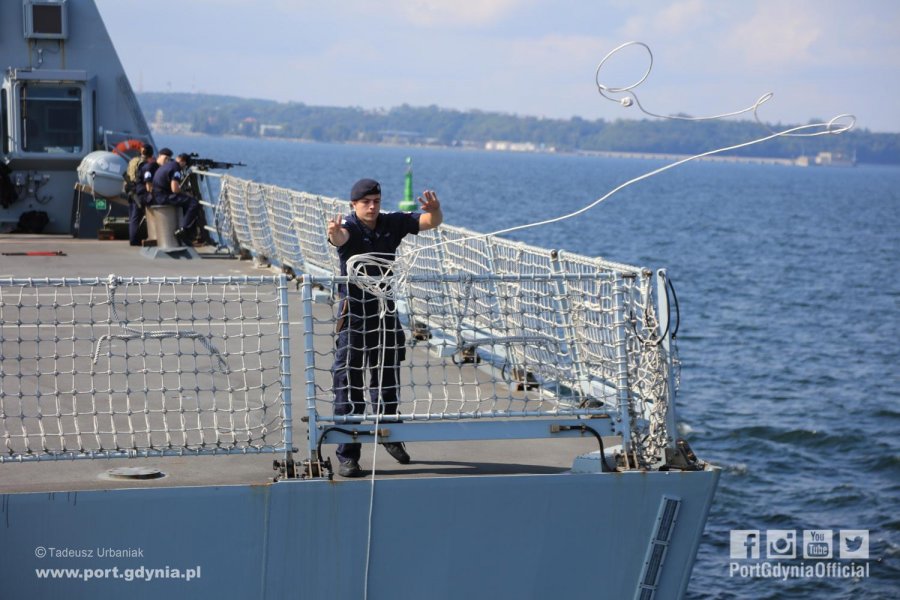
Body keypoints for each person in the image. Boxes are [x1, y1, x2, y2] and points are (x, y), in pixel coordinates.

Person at [327, 178, 443, 477]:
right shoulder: (350, 228)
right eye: (366, 202)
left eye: (376, 200)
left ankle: (389, 435)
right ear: (354, 204)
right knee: (349, 386)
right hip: (354, 316)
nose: (372, 206)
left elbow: (429, 222)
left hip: (385, 313)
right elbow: (339, 239)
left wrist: (435, 210)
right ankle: (348, 455)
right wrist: (335, 233)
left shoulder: (392, 223)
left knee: (387, 382)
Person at [150, 149, 202, 244]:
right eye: (185, 166)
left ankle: (185, 230)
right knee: (193, 203)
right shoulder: (176, 169)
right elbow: (174, 189)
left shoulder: (168, 165)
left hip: (157, 195)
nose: (184, 168)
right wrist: (185, 193)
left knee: (185, 202)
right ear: (183, 162)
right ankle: (183, 229)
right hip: (163, 197)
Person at [125, 144, 155, 245]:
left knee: (133, 218)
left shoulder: (133, 160)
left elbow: (128, 174)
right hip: (138, 191)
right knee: (136, 217)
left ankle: (133, 238)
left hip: (130, 190)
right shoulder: (144, 164)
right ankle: (134, 240)